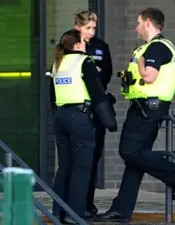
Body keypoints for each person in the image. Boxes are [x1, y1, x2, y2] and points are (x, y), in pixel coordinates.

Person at [95, 7, 175, 223]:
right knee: (135, 160)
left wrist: (139, 62)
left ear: (148, 23)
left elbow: (148, 76)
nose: (136, 28)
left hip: (148, 109)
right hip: (144, 107)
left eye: (138, 23)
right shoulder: (151, 47)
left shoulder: (157, 48)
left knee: (129, 151)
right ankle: (120, 211)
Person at [50, 29, 117, 224]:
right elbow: (96, 93)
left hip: (61, 117)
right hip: (80, 118)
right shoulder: (84, 62)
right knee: (82, 167)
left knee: (64, 168)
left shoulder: (58, 63)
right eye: (84, 41)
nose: (87, 43)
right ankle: (75, 214)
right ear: (78, 44)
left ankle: (58, 212)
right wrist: (110, 122)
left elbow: (52, 96)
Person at [73, 10, 114, 218]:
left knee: (92, 157)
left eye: (93, 28)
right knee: (75, 160)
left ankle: (87, 204)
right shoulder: (68, 44)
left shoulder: (100, 46)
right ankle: (72, 204)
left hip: (95, 108)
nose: (91, 32)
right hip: (75, 108)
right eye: (88, 27)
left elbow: (106, 73)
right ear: (77, 26)